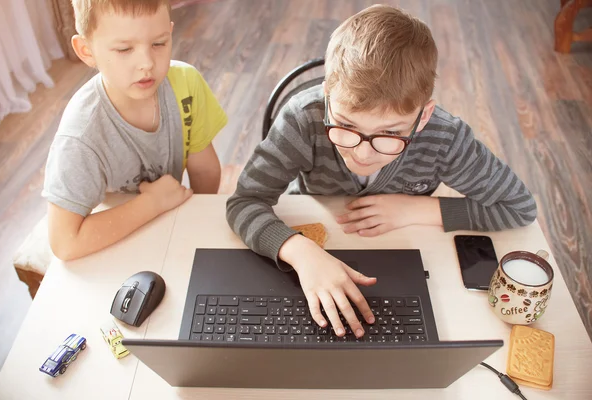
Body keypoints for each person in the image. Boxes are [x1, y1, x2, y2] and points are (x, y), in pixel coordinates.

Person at [226, 5, 536, 339]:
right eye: (345, 125)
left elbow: (519, 208)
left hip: (404, 251)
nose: (361, 153)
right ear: (328, 96)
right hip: (313, 244)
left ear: (424, 116)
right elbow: (244, 201)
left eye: (389, 134)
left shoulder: (445, 138)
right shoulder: (303, 118)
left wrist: (419, 208)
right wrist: (300, 252)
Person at [43, 0, 227, 261]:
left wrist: (196, 228)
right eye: (124, 49)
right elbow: (64, 242)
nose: (146, 63)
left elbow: (205, 170)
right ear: (86, 50)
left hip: (170, 227)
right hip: (116, 245)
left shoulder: (186, 83)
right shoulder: (81, 135)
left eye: (159, 43)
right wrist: (152, 204)